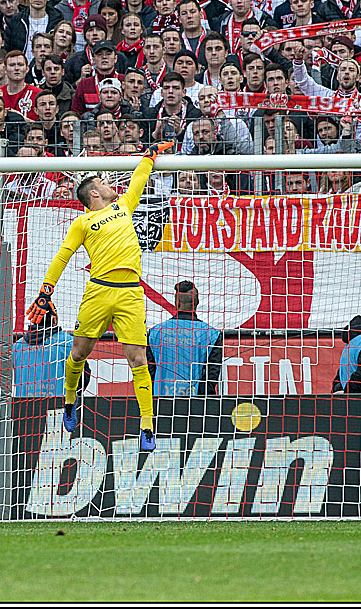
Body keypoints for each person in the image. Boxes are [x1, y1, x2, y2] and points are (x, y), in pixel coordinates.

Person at [26, 141, 174, 452]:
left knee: (138, 360)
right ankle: (70, 400)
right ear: (94, 193)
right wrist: (45, 291)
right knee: (79, 353)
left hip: (131, 294)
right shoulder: (82, 222)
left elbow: (138, 179)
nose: (111, 185)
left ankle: (147, 424)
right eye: (104, 183)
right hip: (98, 291)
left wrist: (149, 156)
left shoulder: (124, 206)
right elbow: (63, 255)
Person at [146, 281, 223, 396]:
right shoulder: (211, 334)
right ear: (197, 302)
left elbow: (149, 370)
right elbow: (212, 376)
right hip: (196, 404)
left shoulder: (155, 332)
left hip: (160, 399)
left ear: (177, 302)